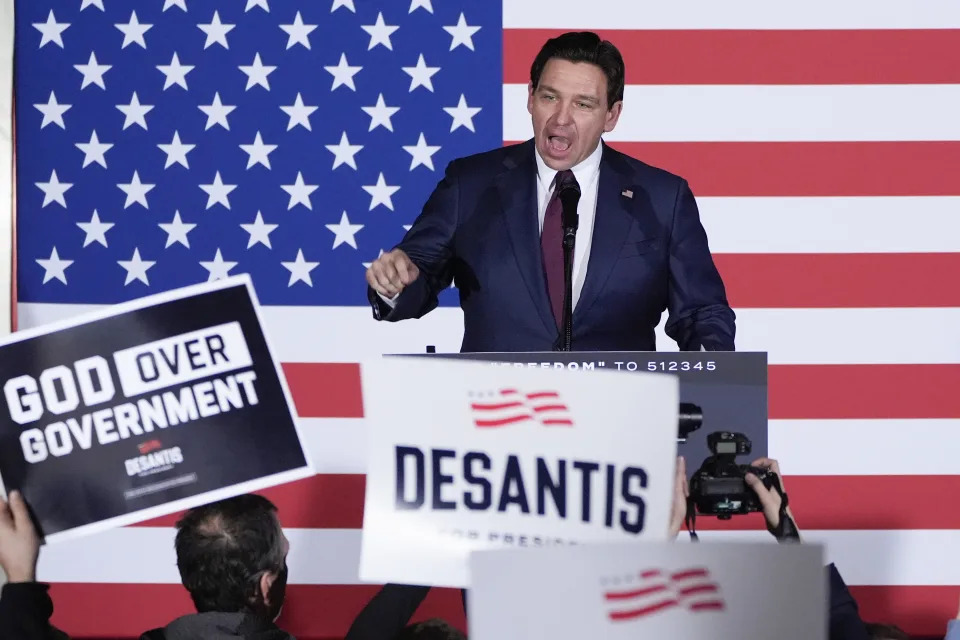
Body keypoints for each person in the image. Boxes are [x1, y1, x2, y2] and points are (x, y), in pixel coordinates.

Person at [365, 31, 735, 353]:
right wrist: (395, 283)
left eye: (583, 104)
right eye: (549, 97)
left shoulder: (662, 197)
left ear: (612, 115)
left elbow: (702, 313)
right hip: (497, 418)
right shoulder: (471, 183)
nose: (561, 119)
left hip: (616, 421)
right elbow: (419, 273)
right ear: (530, 98)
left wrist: (713, 371)